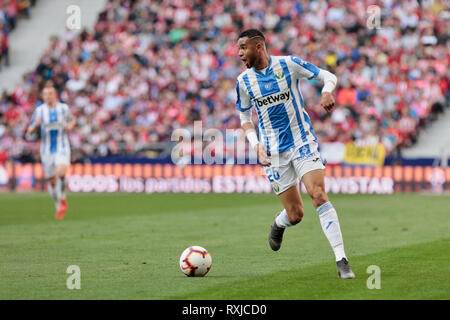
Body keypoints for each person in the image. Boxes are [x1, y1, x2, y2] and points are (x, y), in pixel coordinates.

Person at [236, 29, 355, 279]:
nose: (239, 54)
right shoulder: (243, 82)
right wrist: (255, 143)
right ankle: (279, 224)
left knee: (319, 195)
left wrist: (326, 91)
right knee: (296, 214)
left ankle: (341, 259)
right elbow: (245, 117)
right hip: (273, 152)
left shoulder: (288, 64)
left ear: (258, 47)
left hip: (302, 142)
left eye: (243, 48)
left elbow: (328, 76)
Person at [26, 84, 76, 219]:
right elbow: (29, 130)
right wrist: (34, 126)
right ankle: (58, 205)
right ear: (42, 96)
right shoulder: (40, 111)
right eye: (46, 94)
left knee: (60, 172)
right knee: (51, 181)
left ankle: (63, 197)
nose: (48, 96)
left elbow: (72, 120)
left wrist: (70, 126)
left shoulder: (63, 108)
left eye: (51, 94)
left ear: (55, 95)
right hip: (46, 150)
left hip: (62, 146)